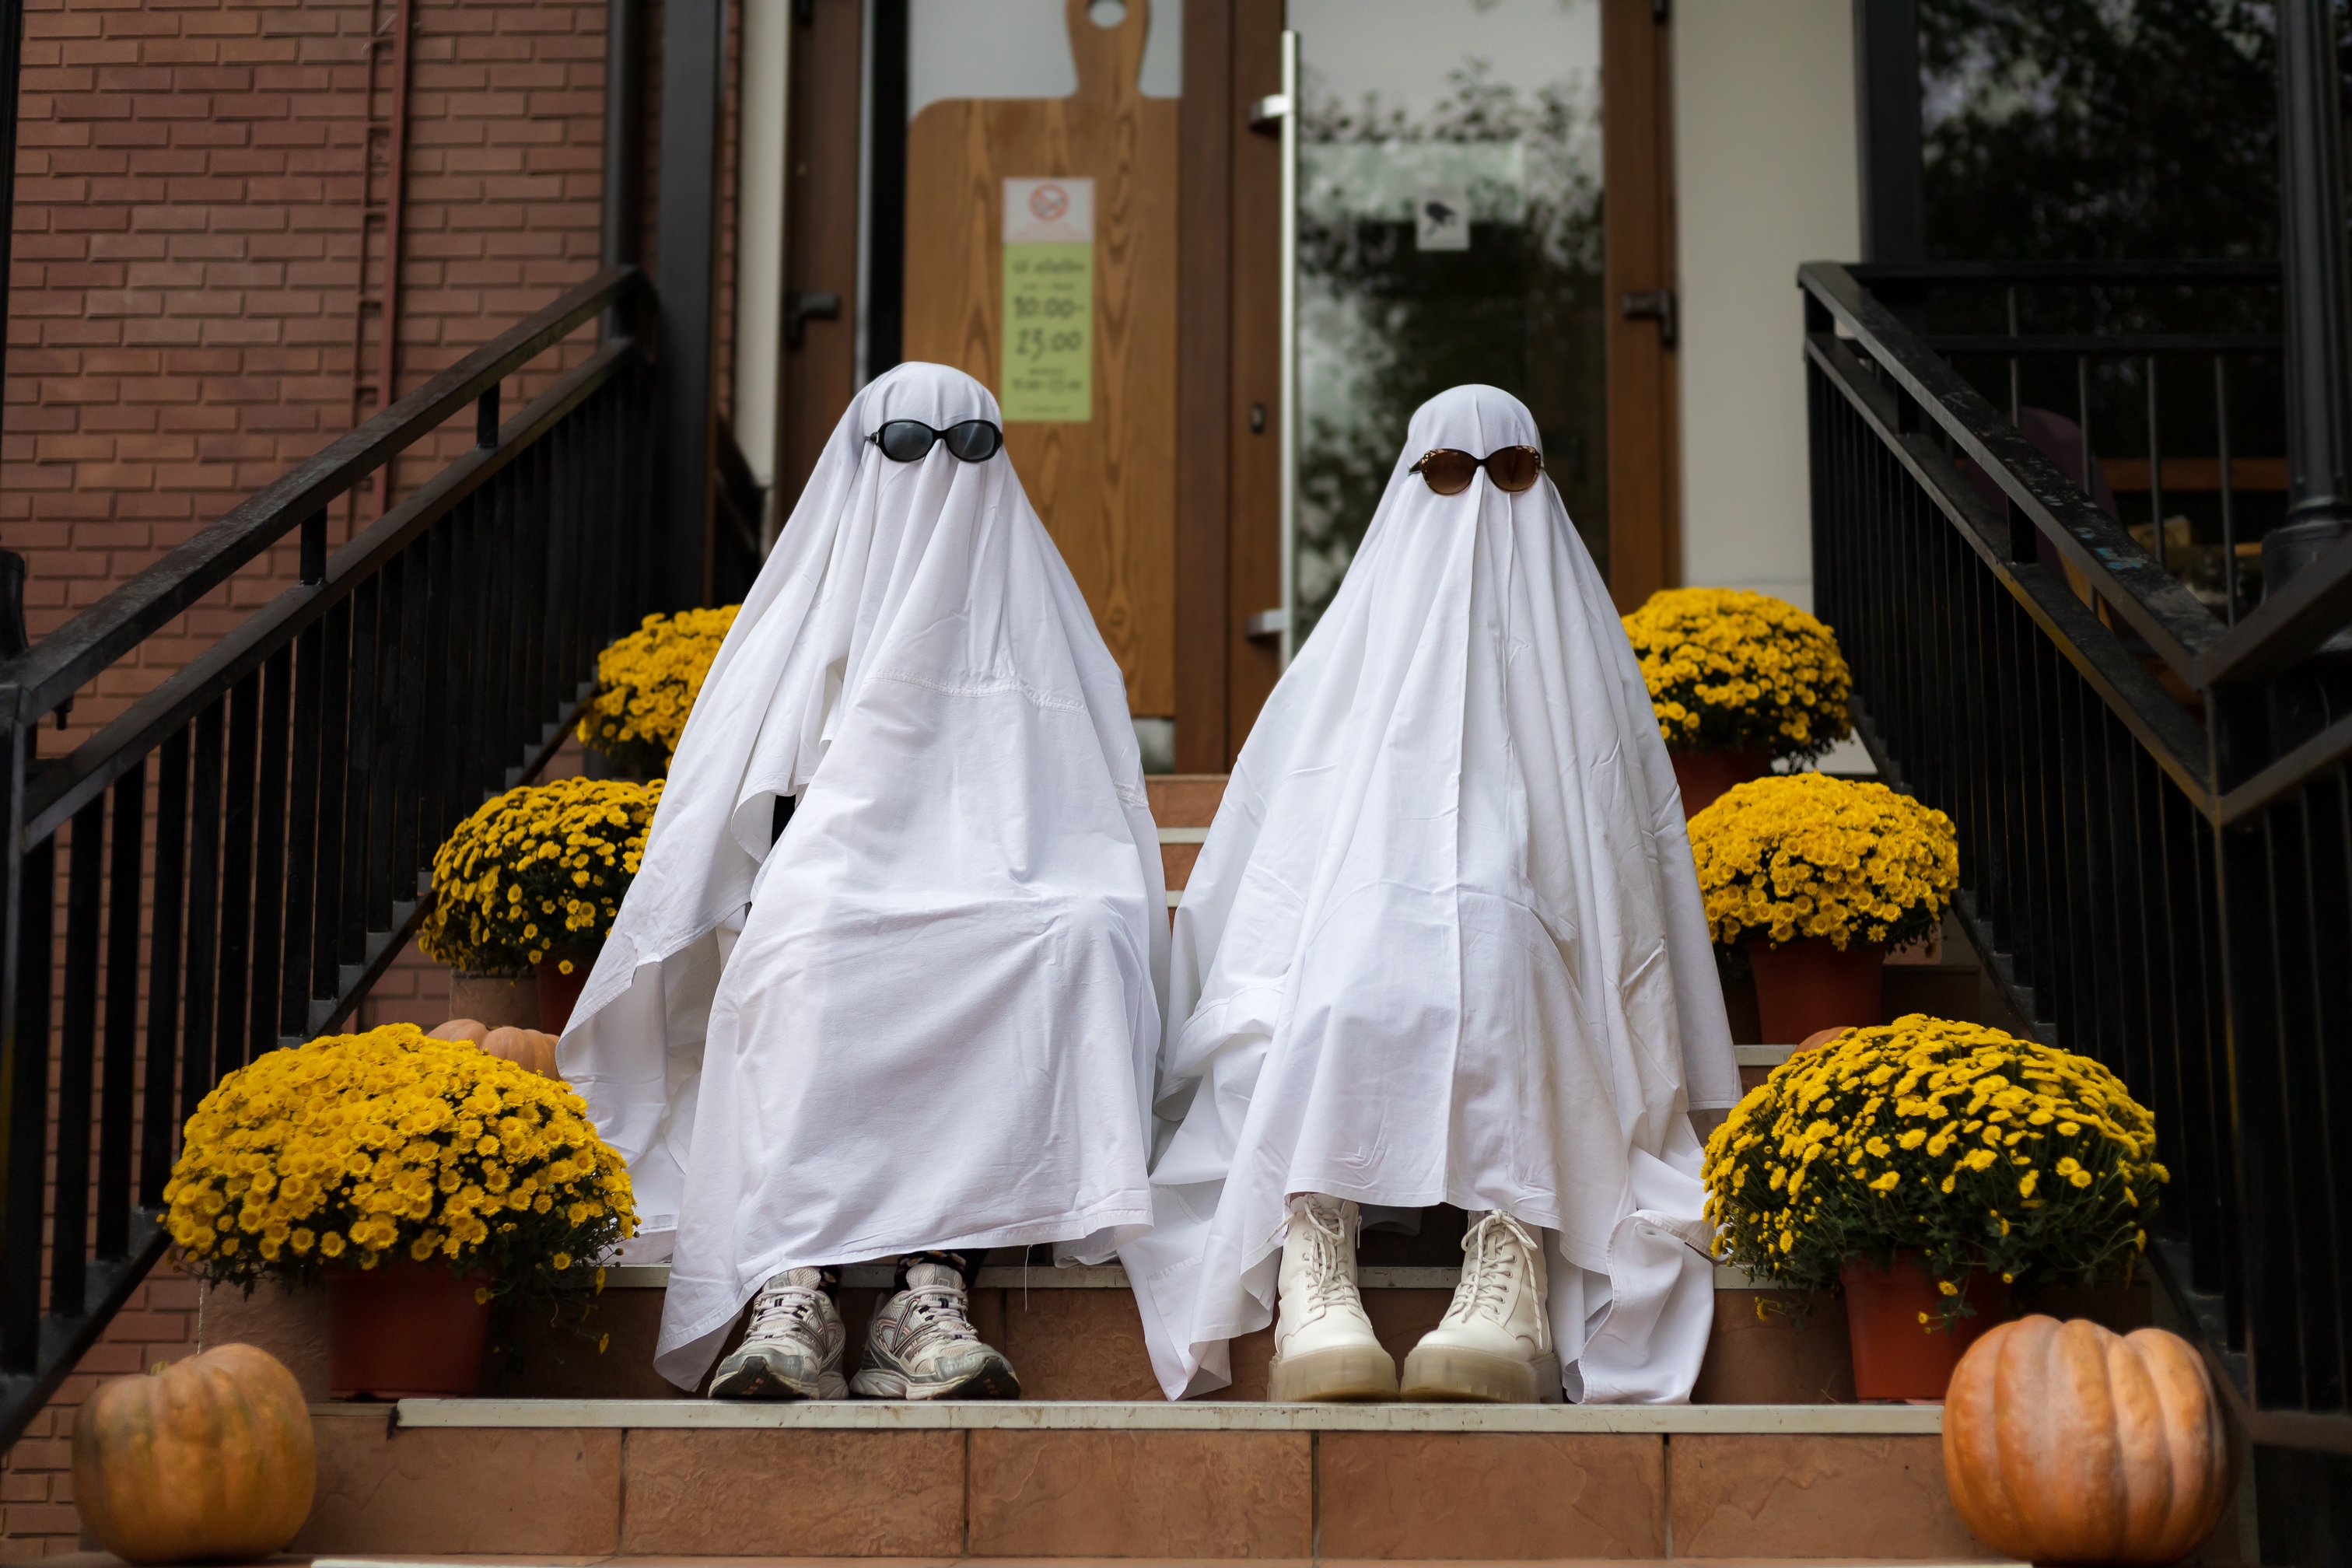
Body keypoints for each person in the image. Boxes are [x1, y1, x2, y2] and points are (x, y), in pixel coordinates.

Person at [1120, 385, 1740, 1405]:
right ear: (1411, 482)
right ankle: (1315, 1237)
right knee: (1343, 976)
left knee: (1499, 951)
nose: (1482, 503)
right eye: (1452, 474)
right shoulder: (1343, 670)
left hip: (1530, 944)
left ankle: (1512, 1246)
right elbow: (1278, 861)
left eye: (1511, 476)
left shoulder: (1589, 675)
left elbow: (1623, 888)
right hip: (1357, 924)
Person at [560, 362, 1167, 1401]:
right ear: (857, 461)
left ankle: (932, 1286)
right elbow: (736, 794)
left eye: (970, 446)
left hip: (1017, 881)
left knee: (1077, 935)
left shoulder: (1040, 613)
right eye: (905, 447)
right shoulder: (810, 610)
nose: (938, 474)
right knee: (801, 941)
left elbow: (1095, 797)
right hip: (840, 875)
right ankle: (795, 1278)